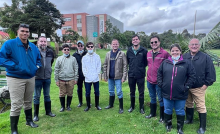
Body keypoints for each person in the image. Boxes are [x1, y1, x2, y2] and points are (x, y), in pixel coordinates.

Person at [0, 24, 41, 133]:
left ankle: (29, 121)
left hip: (30, 77)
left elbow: (38, 58)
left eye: (27, 31)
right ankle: (14, 129)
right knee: (16, 103)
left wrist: (36, 67)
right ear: (18, 32)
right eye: (22, 31)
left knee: (28, 101)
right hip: (15, 78)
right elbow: (1, 58)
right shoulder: (10, 44)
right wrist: (15, 66)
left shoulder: (33, 46)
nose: (25, 33)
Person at [157, 44, 196, 134]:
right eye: (173, 51)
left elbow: (192, 76)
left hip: (181, 92)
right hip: (167, 92)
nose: (175, 52)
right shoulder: (165, 62)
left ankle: (180, 128)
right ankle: (168, 125)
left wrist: (186, 86)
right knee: (167, 109)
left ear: (180, 52)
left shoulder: (186, 63)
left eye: (177, 50)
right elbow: (159, 73)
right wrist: (161, 84)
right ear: (170, 52)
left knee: (180, 110)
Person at [183, 38, 216, 134]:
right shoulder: (185, 56)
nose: (194, 46)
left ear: (199, 46)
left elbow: (211, 73)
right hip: (187, 86)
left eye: (196, 44)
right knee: (188, 103)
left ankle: (202, 127)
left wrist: (206, 85)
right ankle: (189, 119)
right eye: (192, 44)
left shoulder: (205, 57)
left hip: (199, 87)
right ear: (189, 46)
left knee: (201, 106)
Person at [145, 36, 170, 122]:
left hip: (159, 81)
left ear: (159, 42)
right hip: (149, 80)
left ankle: (162, 117)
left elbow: (169, 66)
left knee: (161, 99)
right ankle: (153, 113)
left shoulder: (165, 54)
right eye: (152, 42)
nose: (154, 44)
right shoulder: (148, 53)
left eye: (155, 42)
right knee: (152, 98)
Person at [33, 36, 56, 122]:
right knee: (36, 96)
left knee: (47, 95)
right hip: (37, 78)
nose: (43, 43)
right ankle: (35, 115)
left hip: (47, 77)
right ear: (38, 42)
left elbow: (51, 62)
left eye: (44, 41)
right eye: (41, 41)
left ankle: (48, 112)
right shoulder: (34, 52)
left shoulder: (50, 52)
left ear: (47, 43)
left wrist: (48, 71)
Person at [103, 39, 127, 114]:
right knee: (111, 91)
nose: (115, 45)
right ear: (111, 45)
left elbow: (125, 66)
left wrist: (124, 77)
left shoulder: (122, 54)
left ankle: (121, 108)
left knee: (119, 92)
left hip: (118, 77)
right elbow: (105, 65)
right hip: (110, 77)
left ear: (118, 45)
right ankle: (111, 105)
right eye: (113, 44)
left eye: (116, 44)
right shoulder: (108, 54)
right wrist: (105, 75)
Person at [126, 35, 148, 114]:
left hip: (140, 75)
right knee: (132, 92)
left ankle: (141, 108)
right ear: (132, 41)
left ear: (139, 40)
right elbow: (127, 62)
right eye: (133, 40)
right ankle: (132, 106)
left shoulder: (144, 51)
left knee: (141, 92)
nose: (135, 41)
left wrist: (140, 68)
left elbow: (146, 63)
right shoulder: (129, 51)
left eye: (136, 39)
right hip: (131, 75)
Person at [54, 44, 78, 112]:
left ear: (69, 50)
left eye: (68, 49)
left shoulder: (73, 59)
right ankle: (62, 107)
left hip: (71, 79)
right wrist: (56, 80)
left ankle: (68, 106)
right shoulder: (59, 59)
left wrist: (76, 79)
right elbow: (56, 70)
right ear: (62, 50)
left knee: (70, 93)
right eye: (65, 49)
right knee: (62, 93)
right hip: (61, 80)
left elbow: (76, 69)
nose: (66, 51)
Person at [82, 42, 102, 111]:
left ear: (93, 47)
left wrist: (96, 74)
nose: (90, 48)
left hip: (96, 78)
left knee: (97, 91)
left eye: (91, 47)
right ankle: (88, 106)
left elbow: (99, 66)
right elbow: (83, 68)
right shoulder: (84, 58)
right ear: (86, 48)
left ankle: (97, 105)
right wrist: (86, 75)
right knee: (87, 92)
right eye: (89, 47)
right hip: (87, 78)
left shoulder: (97, 56)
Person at [73, 40, 87, 107]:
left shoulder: (87, 53)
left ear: (83, 46)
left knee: (87, 89)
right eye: (79, 45)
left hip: (86, 75)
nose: (80, 47)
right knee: (79, 89)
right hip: (78, 75)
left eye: (81, 45)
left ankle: (88, 101)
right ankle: (80, 102)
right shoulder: (74, 55)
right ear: (77, 46)